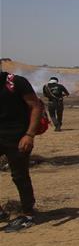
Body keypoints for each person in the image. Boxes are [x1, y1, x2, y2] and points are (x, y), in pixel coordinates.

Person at [0, 70, 43, 231]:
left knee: (19, 176)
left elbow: (35, 106)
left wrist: (29, 135)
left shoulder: (16, 82)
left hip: (17, 137)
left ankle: (28, 214)